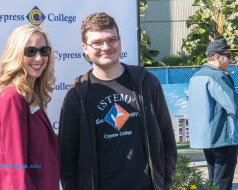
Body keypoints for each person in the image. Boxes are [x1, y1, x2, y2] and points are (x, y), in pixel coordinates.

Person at [59, 12, 177, 190]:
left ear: (120, 41)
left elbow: (167, 140)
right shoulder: (77, 97)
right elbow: (68, 161)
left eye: (112, 40)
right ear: (85, 48)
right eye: (97, 42)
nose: (106, 47)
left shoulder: (146, 83)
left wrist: (164, 183)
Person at [0, 24, 59, 190]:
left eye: (44, 51)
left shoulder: (29, 95)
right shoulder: (12, 97)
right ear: (16, 54)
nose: (39, 58)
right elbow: (15, 166)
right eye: (31, 51)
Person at [189, 38, 238, 190]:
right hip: (223, 137)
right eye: (228, 56)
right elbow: (233, 106)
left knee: (213, 181)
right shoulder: (217, 76)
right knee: (222, 182)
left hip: (207, 139)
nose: (231, 60)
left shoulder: (196, 76)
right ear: (216, 57)